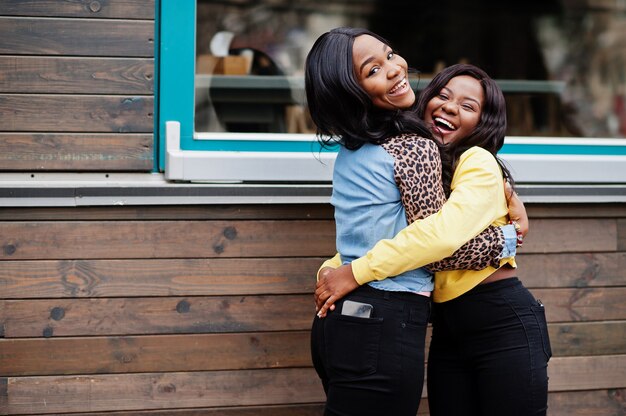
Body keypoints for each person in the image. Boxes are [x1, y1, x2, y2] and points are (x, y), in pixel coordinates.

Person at [305, 27, 525, 416]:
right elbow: (439, 247)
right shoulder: (413, 147)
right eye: (372, 70)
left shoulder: (354, 148)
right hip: (383, 319)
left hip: (337, 323)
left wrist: (338, 267)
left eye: (389, 55)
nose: (394, 69)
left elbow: (370, 230)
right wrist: (507, 238)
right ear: (350, 91)